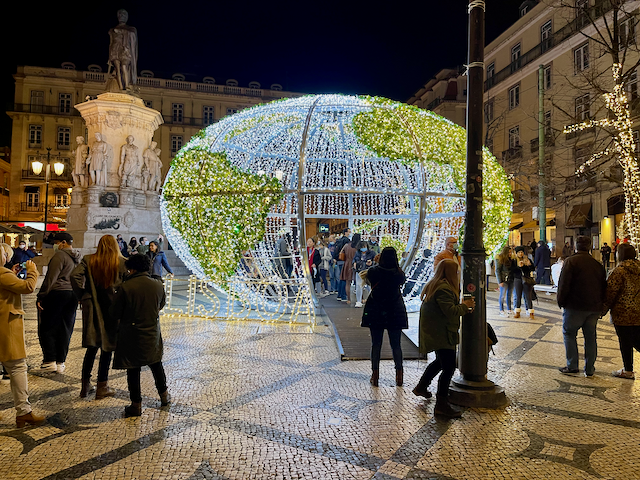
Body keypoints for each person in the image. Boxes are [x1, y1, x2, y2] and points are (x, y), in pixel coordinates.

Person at [413, 259, 475, 418]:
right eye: (456, 272)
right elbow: (450, 311)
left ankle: (421, 386)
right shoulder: (444, 289)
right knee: (448, 367)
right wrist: (465, 305)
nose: (458, 275)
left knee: (441, 362)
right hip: (442, 333)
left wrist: (461, 307)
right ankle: (442, 405)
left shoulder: (436, 285)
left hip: (437, 331)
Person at [111, 254, 169, 417]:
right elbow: (161, 304)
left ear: (132, 268)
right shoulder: (158, 285)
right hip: (152, 331)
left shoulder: (126, 287)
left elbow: (115, 311)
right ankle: (164, 396)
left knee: (133, 368)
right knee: (156, 364)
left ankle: (136, 404)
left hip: (131, 332)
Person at [71, 235, 127, 399]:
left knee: (92, 346)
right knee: (107, 347)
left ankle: (85, 385)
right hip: (112, 307)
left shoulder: (89, 259)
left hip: (93, 305)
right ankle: (102, 385)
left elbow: (74, 276)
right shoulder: (122, 262)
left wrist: (81, 294)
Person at [0, 244, 46, 427]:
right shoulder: (2, 274)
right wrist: (33, 271)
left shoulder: (4, 274)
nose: (6, 255)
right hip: (6, 326)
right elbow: (28, 287)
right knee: (18, 366)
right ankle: (24, 412)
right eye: (4, 253)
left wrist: (11, 273)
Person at [557, 236, 606, 377]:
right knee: (590, 337)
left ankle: (572, 365)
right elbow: (603, 286)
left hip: (575, 306)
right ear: (590, 247)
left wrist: (561, 301)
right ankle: (589, 369)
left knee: (569, 333)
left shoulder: (571, 262)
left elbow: (564, 284)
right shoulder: (597, 265)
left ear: (575, 246)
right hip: (594, 307)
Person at [361, 247, 408, 387]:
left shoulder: (374, 271)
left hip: (377, 310)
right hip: (395, 310)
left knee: (376, 344)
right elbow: (401, 282)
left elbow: (370, 280)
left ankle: (375, 375)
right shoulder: (399, 273)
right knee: (396, 345)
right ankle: (399, 375)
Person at [37, 232, 82, 373]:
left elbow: (51, 277)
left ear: (63, 242)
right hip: (72, 295)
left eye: (56, 242)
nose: (55, 245)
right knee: (65, 328)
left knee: (48, 326)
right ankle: (60, 361)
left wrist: (41, 296)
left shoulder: (60, 256)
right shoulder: (77, 258)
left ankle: (49, 360)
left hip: (57, 294)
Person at [604, 243, 640, 379]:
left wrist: (602, 310)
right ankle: (628, 369)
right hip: (639, 312)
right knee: (637, 339)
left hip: (623, 313)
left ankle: (628, 370)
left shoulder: (619, 271)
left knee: (625, 342)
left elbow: (611, 292)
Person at [512, 246, 534, 319]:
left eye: (521, 252)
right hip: (517, 279)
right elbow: (512, 270)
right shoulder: (514, 261)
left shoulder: (527, 259)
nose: (521, 254)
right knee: (518, 296)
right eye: (519, 252)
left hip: (526, 279)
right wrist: (519, 267)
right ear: (516, 253)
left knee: (528, 296)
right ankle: (517, 312)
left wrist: (529, 265)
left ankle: (531, 312)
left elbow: (532, 268)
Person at [353, 241, 375, 308]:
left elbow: (376, 260)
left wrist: (372, 263)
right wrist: (354, 263)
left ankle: (373, 301)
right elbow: (354, 260)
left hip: (369, 271)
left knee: (370, 286)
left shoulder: (372, 253)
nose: (363, 248)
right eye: (362, 247)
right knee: (359, 286)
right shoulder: (357, 253)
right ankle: (358, 301)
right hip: (360, 271)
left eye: (364, 247)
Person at [339, 233, 360, 305]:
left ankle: (348, 299)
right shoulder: (358, 247)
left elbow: (341, 253)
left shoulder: (347, 245)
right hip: (357, 264)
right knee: (359, 283)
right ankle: (360, 299)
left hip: (347, 264)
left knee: (348, 283)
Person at [495, 246, 514, 317]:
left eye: (511, 252)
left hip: (510, 279)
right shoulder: (500, 259)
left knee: (509, 295)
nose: (510, 253)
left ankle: (509, 309)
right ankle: (501, 310)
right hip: (504, 279)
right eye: (509, 252)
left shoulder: (511, 259)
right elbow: (497, 270)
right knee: (502, 295)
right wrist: (500, 281)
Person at [334, 228, 351, 301]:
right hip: (345, 261)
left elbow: (335, 250)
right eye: (349, 232)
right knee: (344, 278)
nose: (350, 233)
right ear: (346, 233)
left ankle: (339, 295)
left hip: (339, 260)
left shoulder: (339, 240)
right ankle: (343, 295)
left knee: (341, 277)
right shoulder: (346, 241)